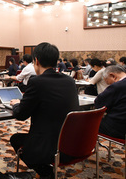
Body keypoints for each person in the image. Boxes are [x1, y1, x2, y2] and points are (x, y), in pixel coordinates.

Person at [9, 42, 79, 178]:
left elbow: (20, 115)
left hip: (48, 146)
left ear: (36, 60)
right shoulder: (69, 81)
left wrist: (17, 103)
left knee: (15, 139)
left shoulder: (37, 82)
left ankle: (46, 172)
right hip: (71, 143)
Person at [95, 65, 126, 139]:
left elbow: (99, 103)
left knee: (88, 123)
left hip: (118, 127)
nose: (108, 85)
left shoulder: (118, 86)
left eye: (108, 82)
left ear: (113, 76)